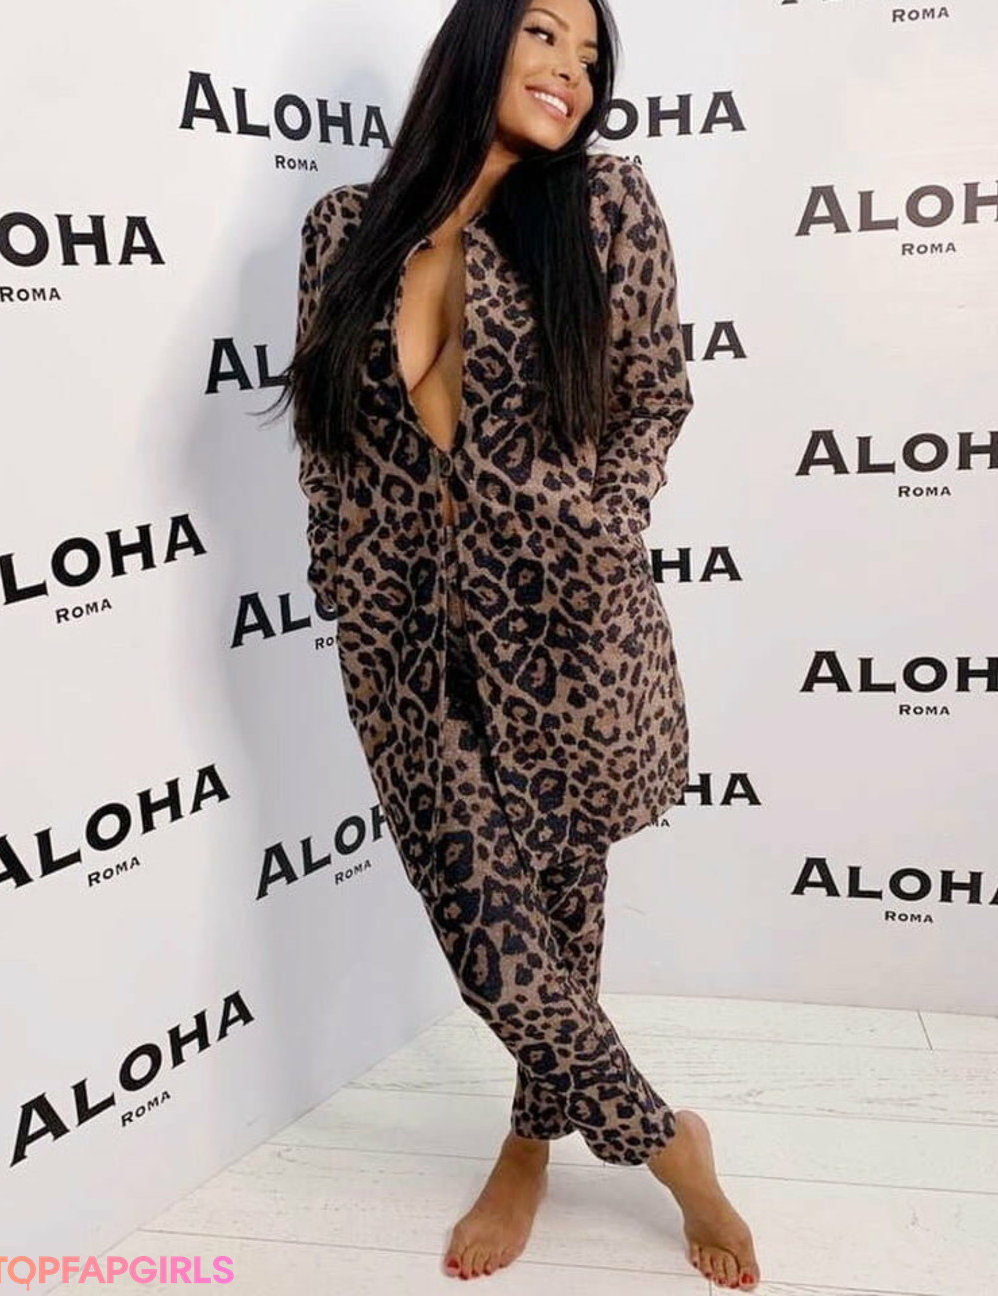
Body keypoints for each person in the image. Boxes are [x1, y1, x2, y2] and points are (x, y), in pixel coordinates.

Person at [276, 0, 760, 1287]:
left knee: (554, 918)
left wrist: (597, 531)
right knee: (489, 940)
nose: (571, 71)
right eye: (545, 34)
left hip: (564, 628)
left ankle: (531, 1141)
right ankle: (672, 1146)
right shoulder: (342, 229)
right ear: (478, 40)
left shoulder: (602, 204)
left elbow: (653, 397)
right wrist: (343, 574)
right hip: (400, 641)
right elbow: (326, 437)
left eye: (591, 57)